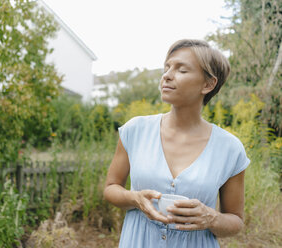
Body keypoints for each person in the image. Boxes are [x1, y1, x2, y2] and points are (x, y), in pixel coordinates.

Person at [103, 39, 250, 248]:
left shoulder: (230, 149)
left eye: (181, 70)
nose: (167, 76)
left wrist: (211, 218)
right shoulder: (135, 131)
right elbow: (111, 188)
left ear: (208, 84)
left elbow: (236, 221)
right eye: (167, 67)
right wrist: (134, 198)